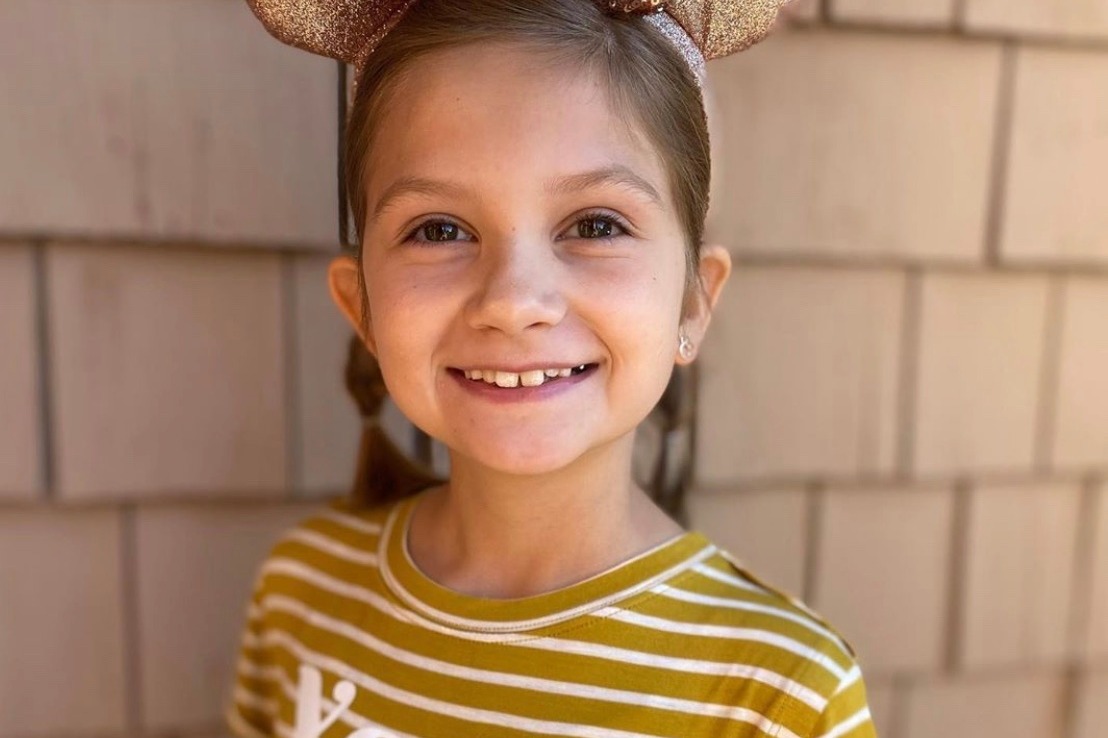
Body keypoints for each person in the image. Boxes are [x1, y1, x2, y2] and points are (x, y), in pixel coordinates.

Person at [226, 1, 877, 736]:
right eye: (439, 230)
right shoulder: (301, 597)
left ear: (694, 303)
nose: (513, 301)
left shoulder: (778, 696)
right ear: (363, 309)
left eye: (596, 225)